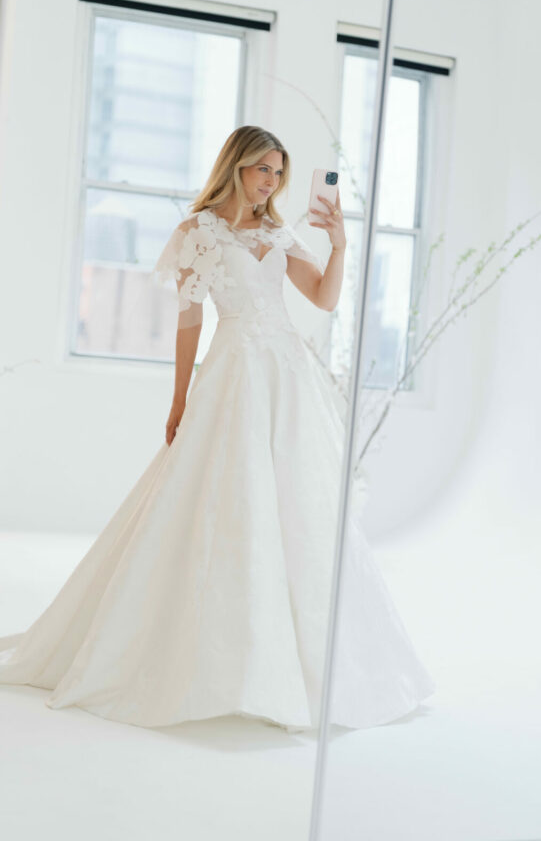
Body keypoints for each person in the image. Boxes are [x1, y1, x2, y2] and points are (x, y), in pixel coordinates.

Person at [0, 125, 435, 730]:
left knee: (299, 504)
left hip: (287, 377)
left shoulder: (279, 233)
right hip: (233, 372)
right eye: (263, 169)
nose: (272, 182)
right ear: (236, 167)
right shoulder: (197, 232)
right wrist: (179, 398)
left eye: (279, 172)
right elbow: (189, 321)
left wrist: (339, 245)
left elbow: (324, 298)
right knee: (222, 495)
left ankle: (300, 661)